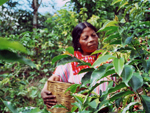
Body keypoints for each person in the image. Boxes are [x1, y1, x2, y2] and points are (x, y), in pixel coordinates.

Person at [41, 22, 111, 109]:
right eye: (86, 38)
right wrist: (44, 92)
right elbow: (54, 79)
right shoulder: (71, 61)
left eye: (94, 35)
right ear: (78, 42)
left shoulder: (109, 57)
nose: (91, 39)